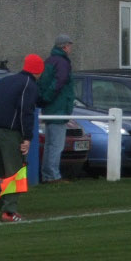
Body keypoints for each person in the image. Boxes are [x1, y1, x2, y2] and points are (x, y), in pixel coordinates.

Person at [0, 54, 44, 221]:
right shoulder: (29, 85)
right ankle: (10, 211)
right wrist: (27, 137)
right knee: (14, 171)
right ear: (38, 70)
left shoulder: (4, 81)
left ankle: (3, 207)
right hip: (10, 134)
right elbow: (26, 112)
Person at [38, 33, 76, 183]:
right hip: (58, 108)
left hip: (50, 108)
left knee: (50, 144)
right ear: (65, 46)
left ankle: (48, 174)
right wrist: (48, 98)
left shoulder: (49, 61)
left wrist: (44, 100)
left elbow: (45, 83)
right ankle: (52, 175)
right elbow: (59, 83)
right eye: (70, 46)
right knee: (56, 145)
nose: (71, 49)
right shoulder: (62, 63)